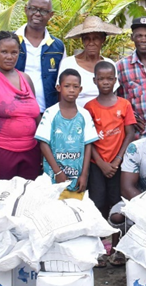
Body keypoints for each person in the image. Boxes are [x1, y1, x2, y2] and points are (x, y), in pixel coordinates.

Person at [85, 60, 136, 264]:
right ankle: (99, 248)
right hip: (98, 166)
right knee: (98, 205)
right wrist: (102, 162)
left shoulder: (124, 104)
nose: (105, 82)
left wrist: (117, 160)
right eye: (101, 79)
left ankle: (117, 248)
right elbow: (88, 140)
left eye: (109, 78)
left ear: (115, 80)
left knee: (118, 207)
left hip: (119, 165)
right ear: (94, 80)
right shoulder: (89, 107)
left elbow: (130, 133)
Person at [0, 31, 41, 184]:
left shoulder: (26, 78)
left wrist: (42, 147)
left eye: (14, 52)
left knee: (26, 201)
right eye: (4, 52)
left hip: (31, 152)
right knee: (0, 202)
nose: (9, 57)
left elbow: (35, 115)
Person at [35, 69, 99, 199]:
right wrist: (58, 172)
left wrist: (84, 175)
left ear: (80, 89)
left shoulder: (84, 115)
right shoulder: (50, 113)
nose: (71, 90)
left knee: (74, 211)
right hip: (53, 178)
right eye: (67, 86)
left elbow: (88, 145)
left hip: (77, 179)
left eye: (75, 87)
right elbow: (43, 144)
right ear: (59, 87)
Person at [13, 0, 65, 113]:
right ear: (26, 10)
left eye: (43, 11)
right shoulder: (8, 42)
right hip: (14, 113)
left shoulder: (58, 46)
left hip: (47, 114)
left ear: (51, 15)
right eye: (33, 9)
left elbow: (62, 83)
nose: (37, 14)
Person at [58, 16, 122, 109]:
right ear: (82, 40)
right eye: (87, 38)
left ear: (103, 40)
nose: (91, 43)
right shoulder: (68, 64)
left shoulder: (109, 65)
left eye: (96, 38)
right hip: (76, 118)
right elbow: (61, 97)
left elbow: (114, 96)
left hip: (104, 118)